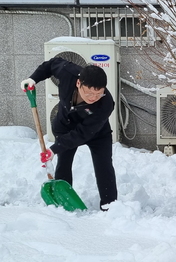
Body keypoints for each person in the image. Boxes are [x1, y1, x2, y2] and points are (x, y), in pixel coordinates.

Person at [19, 59, 118, 211]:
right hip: (65, 126)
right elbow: (51, 65)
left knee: (104, 167)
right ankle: (63, 202)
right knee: (63, 164)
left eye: (98, 93)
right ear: (78, 83)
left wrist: (54, 149)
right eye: (89, 92)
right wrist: (33, 79)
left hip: (96, 133)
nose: (93, 97)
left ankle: (110, 207)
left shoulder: (105, 104)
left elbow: (81, 134)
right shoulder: (68, 73)